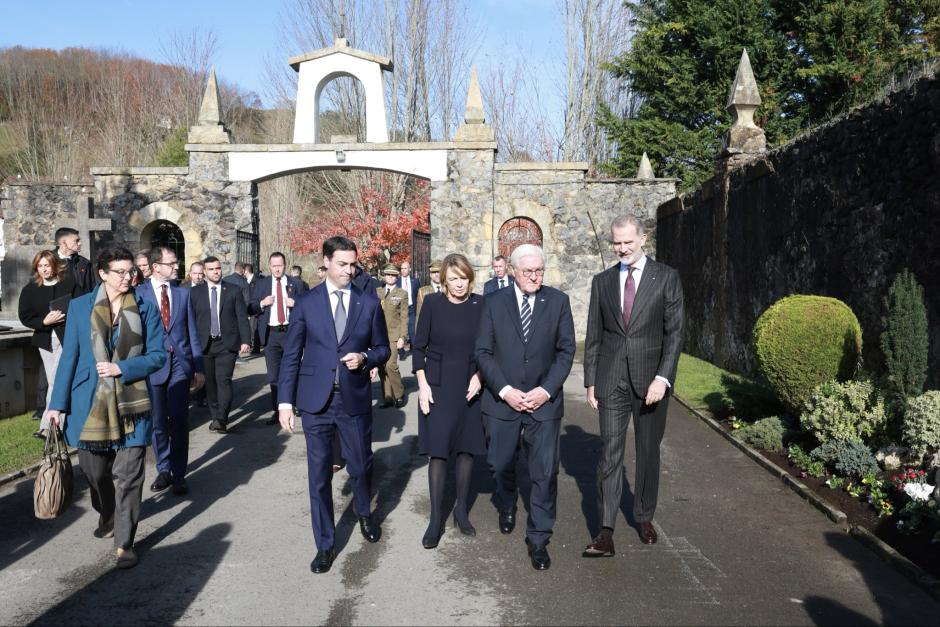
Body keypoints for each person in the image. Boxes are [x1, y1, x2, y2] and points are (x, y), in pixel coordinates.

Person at [46, 246, 166, 570]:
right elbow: (69, 358)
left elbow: (158, 356)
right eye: (121, 272)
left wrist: (122, 369)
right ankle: (108, 512)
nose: (128, 277)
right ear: (102, 273)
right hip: (89, 402)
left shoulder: (146, 307)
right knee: (95, 472)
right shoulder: (79, 307)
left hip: (132, 402)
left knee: (129, 476)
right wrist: (56, 406)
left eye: (132, 271)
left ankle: (124, 543)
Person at [277, 236, 390, 574]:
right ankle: (325, 544)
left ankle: (364, 513)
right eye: (342, 264)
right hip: (316, 401)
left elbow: (383, 349)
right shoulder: (306, 303)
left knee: (361, 465)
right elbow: (291, 355)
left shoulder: (368, 303)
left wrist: (365, 357)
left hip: (353, 398)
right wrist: (285, 402)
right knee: (319, 475)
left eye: (353, 264)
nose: (349, 270)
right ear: (325, 261)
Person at [582, 215, 684, 555]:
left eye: (628, 241)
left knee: (647, 452)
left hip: (651, 383)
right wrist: (590, 381)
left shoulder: (666, 277)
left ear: (643, 239)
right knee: (609, 453)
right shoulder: (602, 282)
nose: (622, 248)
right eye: (617, 243)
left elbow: (675, 334)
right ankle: (605, 530)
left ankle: (643, 516)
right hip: (611, 381)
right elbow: (594, 335)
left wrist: (663, 378)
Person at [474, 244, 575, 571]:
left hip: (543, 403)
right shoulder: (493, 303)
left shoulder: (557, 302)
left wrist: (546, 391)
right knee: (499, 464)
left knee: (544, 471)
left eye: (539, 271)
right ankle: (507, 502)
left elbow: (566, 351)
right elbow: (483, 352)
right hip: (502, 401)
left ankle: (539, 537)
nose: (534, 276)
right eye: (528, 271)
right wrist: (505, 391)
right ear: (513, 271)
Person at [413, 253, 485, 548]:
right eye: (453, 278)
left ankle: (461, 512)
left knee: (466, 452)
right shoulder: (432, 303)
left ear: (470, 279)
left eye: (464, 278)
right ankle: (435, 520)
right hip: (437, 386)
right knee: (439, 453)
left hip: (470, 386)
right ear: (444, 280)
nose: (459, 284)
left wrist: (480, 376)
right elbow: (419, 347)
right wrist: (422, 386)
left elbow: (489, 347)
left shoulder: (482, 305)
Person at [138, 246, 205, 496]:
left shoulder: (182, 294)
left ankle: (178, 474)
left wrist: (198, 367)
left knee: (179, 420)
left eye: (176, 262)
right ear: (156, 267)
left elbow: (192, 333)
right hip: (153, 364)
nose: (177, 266)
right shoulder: (139, 294)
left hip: (180, 364)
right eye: (171, 263)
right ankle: (163, 469)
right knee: (158, 421)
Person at [18, 251, 76, 439]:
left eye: (47, 265)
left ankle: (48, 426)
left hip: (68, 337)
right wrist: (44, 321)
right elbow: (25, 317)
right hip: (45, 340)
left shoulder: (69, 284)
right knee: (54, 381)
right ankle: (55, 424)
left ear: (55, 266)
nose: (43, 269)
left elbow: (81, 306)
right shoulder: (30, 289)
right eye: (40, 266)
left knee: (58, 380)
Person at [190, 256, 251, 434]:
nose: (216, 272)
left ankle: (222, 419)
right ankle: (215, 416)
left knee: (223, 381)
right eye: (211, 269)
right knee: (210, 384)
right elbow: (191, 320)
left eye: (218, 268)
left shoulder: (233, 290)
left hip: (227, 344)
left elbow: (242, 317)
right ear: (204, 272)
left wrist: (246, 340)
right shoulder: (194, 293)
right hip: (205, 345)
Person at [249, 252, 307, 425]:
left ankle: (296, 404)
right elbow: (250, 307)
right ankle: (278, 410)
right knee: (274, 375)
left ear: (285, 265)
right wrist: (262, 303)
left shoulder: (297, 284)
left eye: (279, 265)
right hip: (271, 334)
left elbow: (310, 306)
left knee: (293, 370)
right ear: (269, 266)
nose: (277, 269)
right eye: (274, 266)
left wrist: (296, 304)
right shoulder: (261, 284)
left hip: (291, 333)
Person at [376, 264, 408, 408]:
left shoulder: (402, 293)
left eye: (393, 275)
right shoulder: (378, 292)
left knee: (390, 365)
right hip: (378, 336)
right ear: (384, 276)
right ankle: (387, 398)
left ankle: (399, 394)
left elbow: (404, 317)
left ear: (397, 277)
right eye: (388, 274)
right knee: (382, 367)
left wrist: (403, 337)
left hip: (393, 335)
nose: (390, 277)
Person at [53, 227, 95, 295]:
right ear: (64, 243)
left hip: (79, 301)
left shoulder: (84, 263)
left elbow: (91, 290)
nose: (80, 243)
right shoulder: (46, 261)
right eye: (76, 241)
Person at [396, 259, 420, 357]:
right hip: (400, 310)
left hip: (411, 309)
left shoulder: (415, 282)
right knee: (400, 331)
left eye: (405, 268)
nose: (403, 270)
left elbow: (418, 295)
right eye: (402, 268)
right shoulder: (397, 281)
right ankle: (401, 351)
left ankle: (414, 350)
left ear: (409, 269)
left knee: (412, 331)